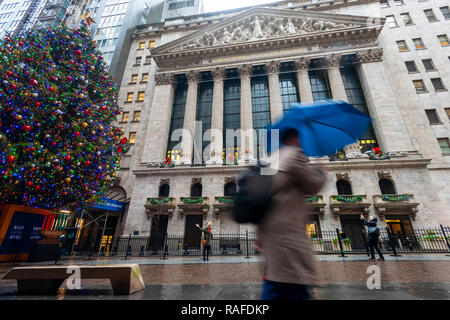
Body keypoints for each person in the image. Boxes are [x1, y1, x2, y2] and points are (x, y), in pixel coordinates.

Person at [257, 128, 326, 300]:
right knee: (293, 284)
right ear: (294, 139)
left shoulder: (271, 159)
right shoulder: (294, 155)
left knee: (275, 284)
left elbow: (262, 199)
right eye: (299, 139)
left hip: (271, 237)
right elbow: (313, 185)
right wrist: (320, 170)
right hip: (289, 238)